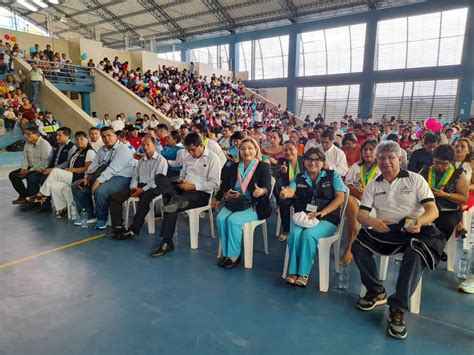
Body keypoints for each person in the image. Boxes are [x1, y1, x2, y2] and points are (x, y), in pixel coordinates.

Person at [352, 141, 445, 340]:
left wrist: (419, 222)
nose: (386, 162)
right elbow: (361, 215)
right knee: (358, 246)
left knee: (415, 251)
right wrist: (371, 221)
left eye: (391, 158)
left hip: (417, 229)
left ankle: (398, 308)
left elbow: (433, 210)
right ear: (377, 161)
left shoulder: (415, 179)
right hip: (388, 230)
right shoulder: (373, 184)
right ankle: (376, 291)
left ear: (400, 159)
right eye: (382, 158)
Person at [280, 147, 346, 287]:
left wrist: (324, 212)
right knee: (294, 234)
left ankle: (303, 272)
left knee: (308, 235)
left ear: (323, 162)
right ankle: (293, 271)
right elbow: (292, 190)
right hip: (306, 217)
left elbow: (340, 197)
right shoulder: (299, 177)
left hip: (327, 219)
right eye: (309, 159)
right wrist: (286, 193)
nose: (313, 163)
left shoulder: (332, 176)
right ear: (304, 162)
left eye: (317, 160)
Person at [149, 132, 221, 257]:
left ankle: (167, 242)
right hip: (184, 189)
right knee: (160, 178)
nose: (191, 153)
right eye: (188, 150)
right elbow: (182, 175)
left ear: (200, 145)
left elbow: (214, 184)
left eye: (193, 150)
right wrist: (181, 180)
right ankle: (176, 199)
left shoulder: (213, 158)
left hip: (200, 194)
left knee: (171, 203)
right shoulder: (187, 156)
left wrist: (192, 186)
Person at [214, 137, 272, 269]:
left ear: (256, 150)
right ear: (239, 151)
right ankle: (227, 252)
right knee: (221, 218)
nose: (246, 151)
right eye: (243, 149)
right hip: (235, 202)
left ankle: (234, 255)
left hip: (255, 205)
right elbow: (225, 187)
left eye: (250, 148)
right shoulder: (234, 166)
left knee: (233, 220)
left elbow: (267, 187)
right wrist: (225, 194)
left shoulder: (263, 166)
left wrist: (261, 191)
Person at [71, 126, 135, 229]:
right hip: (103, 176)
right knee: (76, 186)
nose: (107, 139)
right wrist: (87, 177)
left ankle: (102, 219)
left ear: (116, 136)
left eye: (109, 135)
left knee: (100, 191)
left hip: (121, 177)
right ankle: (89, 216)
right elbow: (93, 165)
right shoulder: (102, 149)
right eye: (104, 137)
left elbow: (112, 169)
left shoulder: (123, 150)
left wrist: (97, 182)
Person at [108, 136, 168, 239]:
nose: (145, 147)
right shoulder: (141, 160)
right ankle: (118, 227)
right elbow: (135, 176)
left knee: (144, 200)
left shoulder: (161, 160)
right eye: (143, 145)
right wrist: (133, 187)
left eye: (148, 144)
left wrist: (142, 190)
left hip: (155, 187)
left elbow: (157, 180)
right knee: (115, 197)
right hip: (139, 186)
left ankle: (132, 230)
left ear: (154, 146)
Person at [25, 131, 96, 218]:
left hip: (80, 177)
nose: (79, 141)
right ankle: (63, 209)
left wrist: (70, 169)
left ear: (87, 140)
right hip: (71, 176)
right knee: (54, 185)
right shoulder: (77, 151)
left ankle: (41, 194)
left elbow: (87, 169)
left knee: (55, 171)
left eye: (82, 139)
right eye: (77, 139)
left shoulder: (89, 152)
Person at [341, 139, 381, 264]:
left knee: (352, 206)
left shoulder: (382, 168)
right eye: (365, 150)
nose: (368, 152)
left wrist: (366, 193)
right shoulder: (356, 167)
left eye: (371, 149)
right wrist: (357, 191)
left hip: (375, 205)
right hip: (356, 201)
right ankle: (355, 239)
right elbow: (346, 185)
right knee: (350, 201)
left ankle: (350, 247)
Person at [419, 145, 468, 242]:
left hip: (449, 209)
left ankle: (437, 248)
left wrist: (445, 194)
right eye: (436, 162)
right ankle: (420, 246)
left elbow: (464, 198)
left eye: (444, 164)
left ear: (451, 162)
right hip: (427, 206)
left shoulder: (457, 174)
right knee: (414, 220)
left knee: (445, 225)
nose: (439, 166)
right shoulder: (425, 170)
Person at [9, 126, 51, 204]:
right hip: (30, 167)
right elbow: (25, 158)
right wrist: (23, 168)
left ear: (37, 135)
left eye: (29, 134)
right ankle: (24, 196)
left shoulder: (44, 144)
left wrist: (29, 171)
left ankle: (34, 201)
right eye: (25, 134)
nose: (26, 136)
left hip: (42, 168)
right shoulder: (27, 143)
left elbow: (45, 162)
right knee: (13, 175)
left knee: (30, 177)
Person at [275, 141, 305, 241]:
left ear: (297, 150)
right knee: (284, 203)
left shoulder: (304, 161)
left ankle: (299, 229)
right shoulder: (281, 162)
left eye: (291, 149)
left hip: (302, 191)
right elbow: (278, 179)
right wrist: (283, 174)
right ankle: (286, 230)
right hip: (287, 192)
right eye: (285, 150)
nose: (288, 152)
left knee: (301, 203)